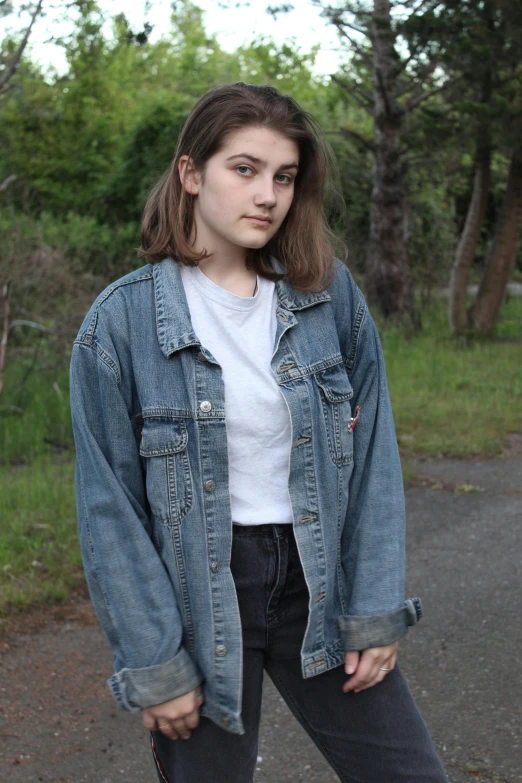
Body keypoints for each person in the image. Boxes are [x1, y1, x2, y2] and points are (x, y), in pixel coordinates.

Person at [69, 82, 448, 783]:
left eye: (283, 176)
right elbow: (108, 508)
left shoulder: (328, 297)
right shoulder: (119, 325)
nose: (267, 194)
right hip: (202, 597)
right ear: (191, 173)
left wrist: (373, 610)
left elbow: (374, 462)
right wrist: (155, 660)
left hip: (320, 586)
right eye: (244, 169)